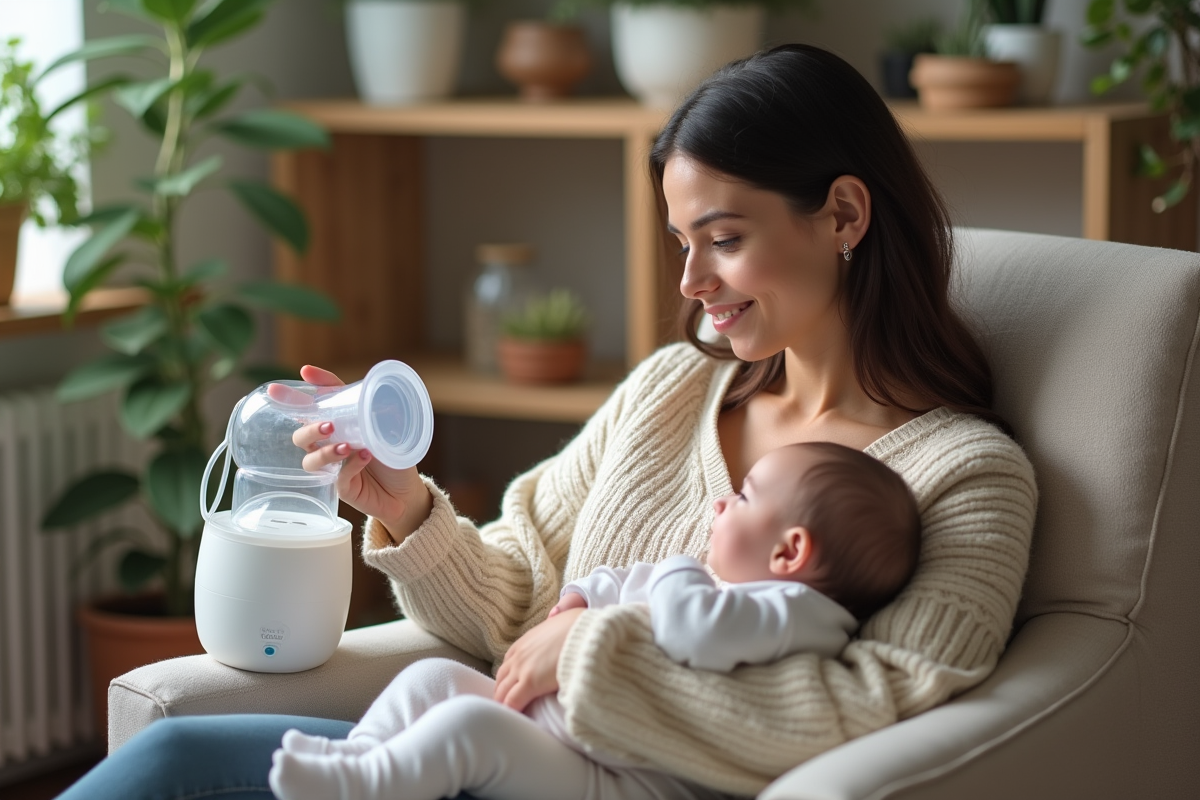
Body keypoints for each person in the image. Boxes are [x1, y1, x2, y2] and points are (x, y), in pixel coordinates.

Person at [56, 43, 1037, 800]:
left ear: (845, 214)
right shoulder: (670, 391)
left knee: (185, 762)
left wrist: (592, 650)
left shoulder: (965, 476)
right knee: (181, 746)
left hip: (596, 780)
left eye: (724, 240)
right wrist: (403, 504)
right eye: (682, 244)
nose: (692, 285)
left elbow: (863, 710)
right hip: (497, 750)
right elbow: (515, 597)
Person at [266, 442, 920, 800]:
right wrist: (583, 595)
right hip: (565, 732)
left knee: (467, 727)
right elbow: (629, 592)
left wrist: (674, 571)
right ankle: (352, 759)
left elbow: (688, 624)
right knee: (431, 681)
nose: (720, 502)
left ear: (790, 551)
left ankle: (364, 787)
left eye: (743, 499)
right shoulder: (737, 591)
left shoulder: (796, 615)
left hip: (621, 780)